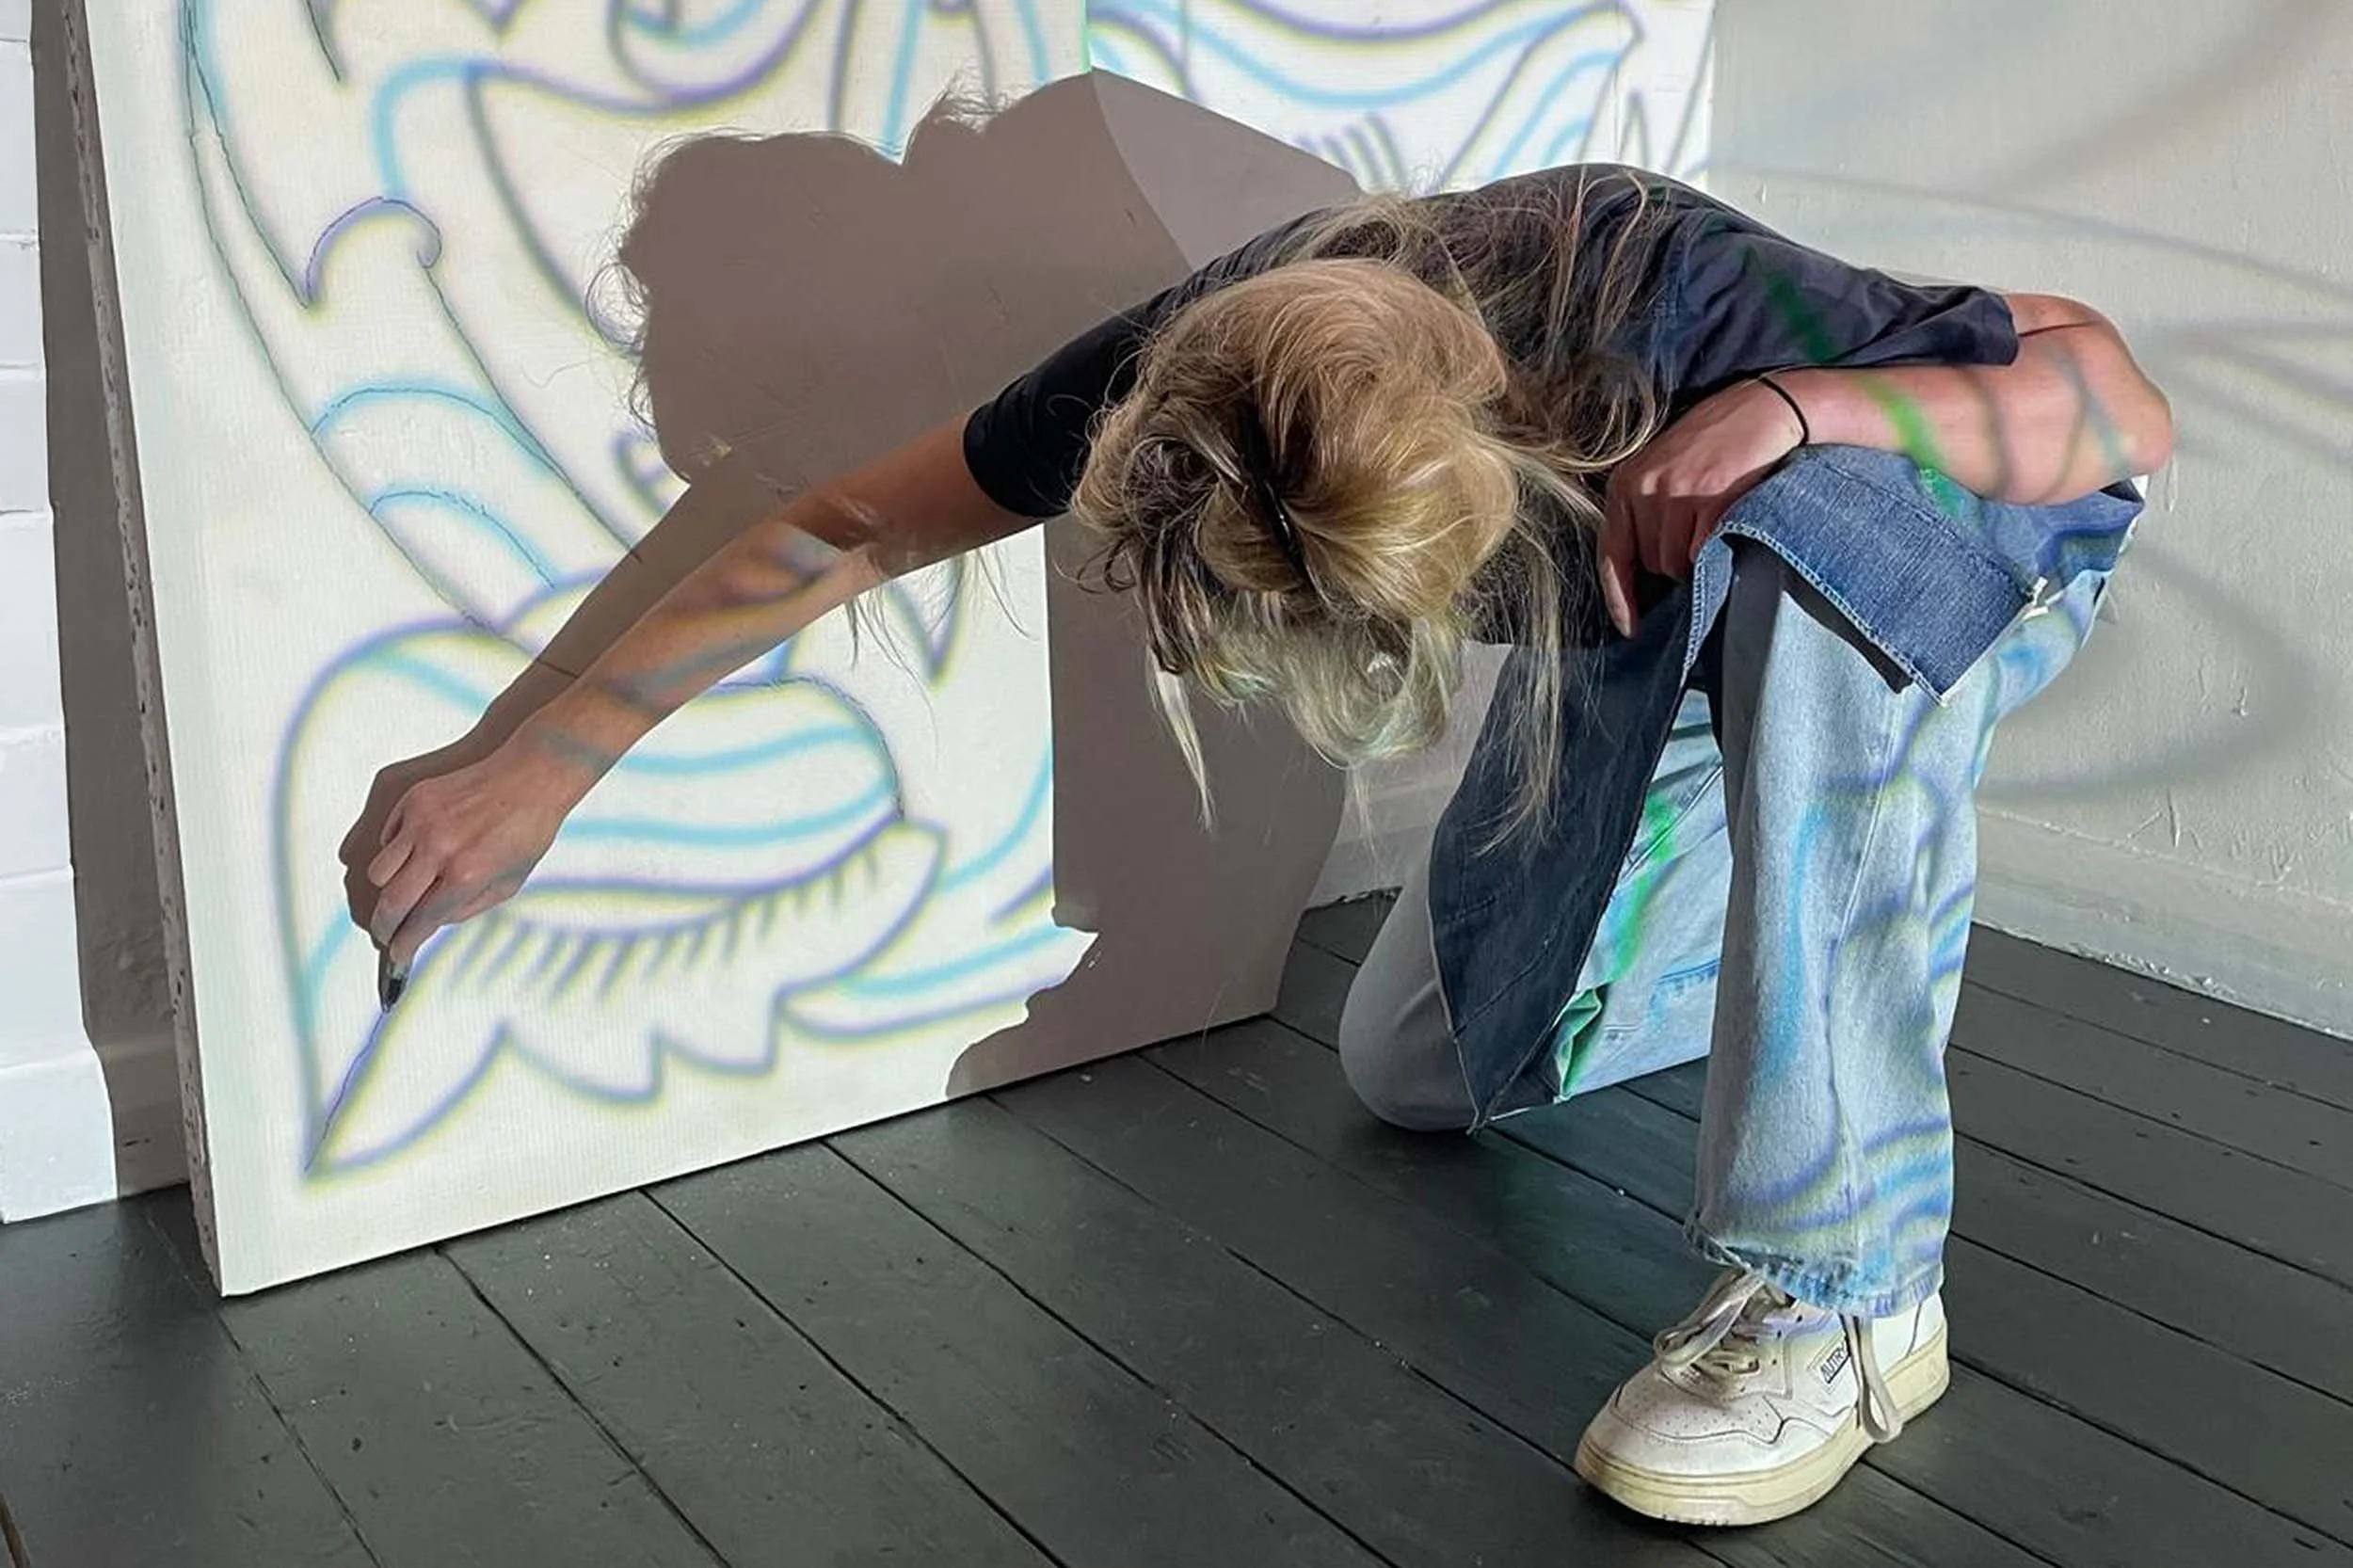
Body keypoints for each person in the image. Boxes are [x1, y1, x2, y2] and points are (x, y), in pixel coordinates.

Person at [346, 163, 2171, 1527]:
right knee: (1415, 1064)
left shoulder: (1666, 293)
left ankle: (1846, 1283)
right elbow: (843, 518)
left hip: (1955, 530)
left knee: (1813, 521)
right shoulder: (1191, 375)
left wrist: (1802, 404)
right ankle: (1823, 892)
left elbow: (2114, 401)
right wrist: (537, 768)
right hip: (1689, 632)